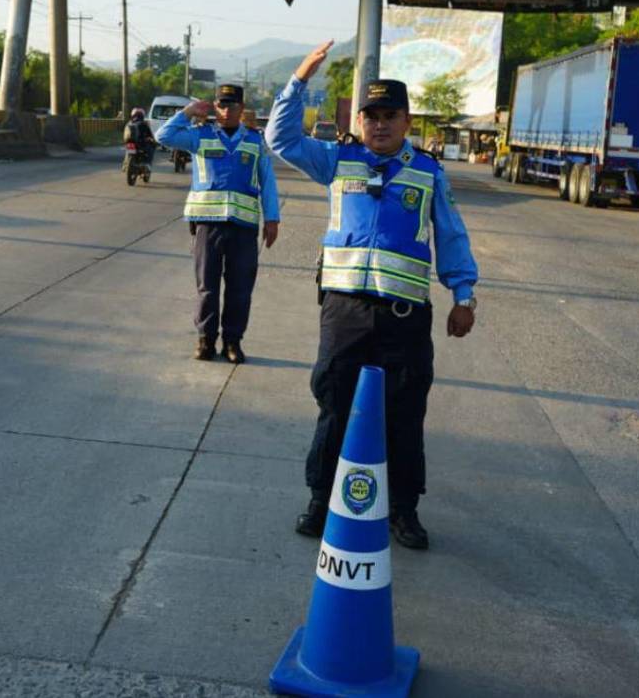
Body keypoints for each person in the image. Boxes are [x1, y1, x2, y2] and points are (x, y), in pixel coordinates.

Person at [266, 42, 478, 551]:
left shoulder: (429, 173)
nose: (379, 124)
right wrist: (300, 76)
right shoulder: (337, 160)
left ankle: (403, 510)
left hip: (404, 318)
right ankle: (321, 499)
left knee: (404, 414)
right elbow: (279, 138)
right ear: (359, 121)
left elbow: (451, 235)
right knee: (334, 405)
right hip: (345, 313)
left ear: (406, 122)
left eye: (390, 116)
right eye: (371, 115)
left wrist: (463, 295)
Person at [156, 83, 281, 364]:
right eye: (221, 105)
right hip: (208, 225)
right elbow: (163, 135)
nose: (226, 111)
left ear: (241, 109)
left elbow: (268, 182)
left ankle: (232, 342)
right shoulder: (199, 136)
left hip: (244, 226)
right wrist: (188, 112)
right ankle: (206, 340)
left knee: (240, 288)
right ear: (215, 107)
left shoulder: (254, 140)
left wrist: (272, 218)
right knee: (207, 287)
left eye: (232, 106)